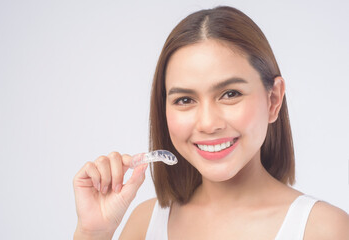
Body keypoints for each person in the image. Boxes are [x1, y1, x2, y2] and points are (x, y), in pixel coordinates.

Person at [73, 6, 349, 239]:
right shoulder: (143, 223)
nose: (207, 123)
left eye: (230, 94)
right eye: (184, 100)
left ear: (273, 100)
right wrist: (92, 233)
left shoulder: (323, 229)